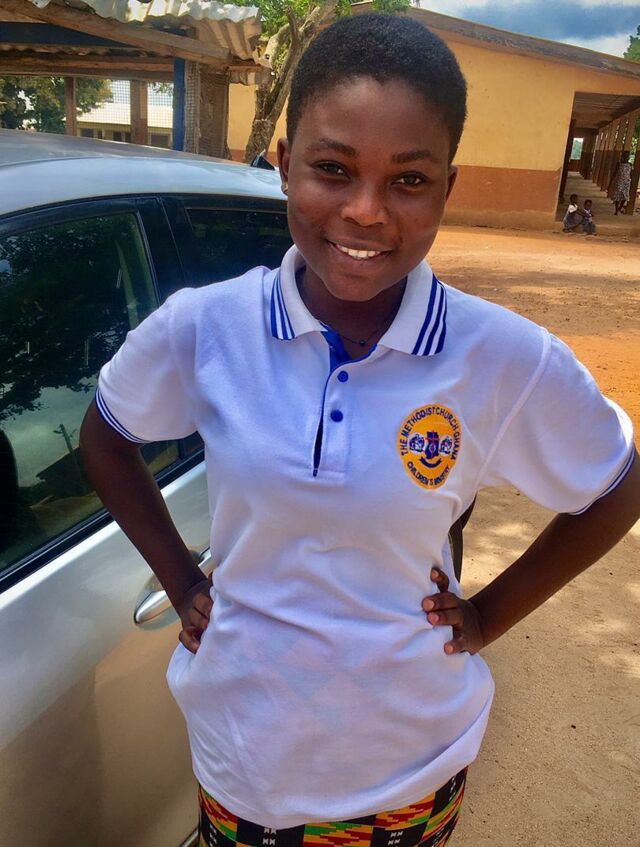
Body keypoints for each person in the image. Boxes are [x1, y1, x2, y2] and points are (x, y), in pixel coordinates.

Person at [79, 14, 639, 847]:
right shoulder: (206, 328)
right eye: (333, 169)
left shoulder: (502, 357)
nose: (366, 211)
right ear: (284, 165)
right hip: (244, 757)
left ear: (448, 187)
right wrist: (181, 577)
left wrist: (487, 616)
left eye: (409, 179)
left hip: (408, 768)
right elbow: (105, 436)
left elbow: (619, 483)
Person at [609, 151, 632, 215]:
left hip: (627, 183)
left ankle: (620, 207)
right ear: (622, 156)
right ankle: (616, 210)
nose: (626, 157)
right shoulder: (619, 163)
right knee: (617, 196)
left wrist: (631, 182)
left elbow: (631, 174)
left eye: (627, 156)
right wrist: (611, 181)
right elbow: (615, 172)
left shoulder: (630, 164)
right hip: (619, 182)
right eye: (625, 156)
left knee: (625, 197)